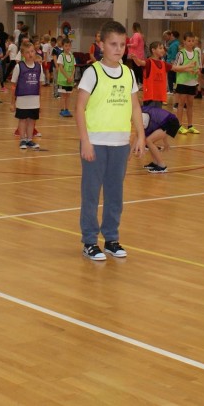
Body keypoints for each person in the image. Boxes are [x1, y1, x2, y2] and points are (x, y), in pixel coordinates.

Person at [76, 20, 145, 261]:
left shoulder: (128, 73)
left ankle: (111, 239)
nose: (118, 49)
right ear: (101, 45)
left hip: (120, 144)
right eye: (113, 44)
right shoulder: (92, 72)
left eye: (122, 45)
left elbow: (135, 107)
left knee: (115, 194)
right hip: (95, 143)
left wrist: (140, 135)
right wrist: (85, 141)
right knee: (91, 194)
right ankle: (89, 241)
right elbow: (80, 107)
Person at [10, 40, 42, 150]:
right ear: (23, 54)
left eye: (32, 51)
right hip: (22, 99)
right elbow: (13, 85)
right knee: (23, 119)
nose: (30, 54)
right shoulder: (19, 67)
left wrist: (40, 102)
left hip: (34, 99)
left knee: (32, 120)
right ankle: (22, 139)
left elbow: (40, 85)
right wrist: (12, 103)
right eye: (27, 52)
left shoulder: (39, 67)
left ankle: (29, 140)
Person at [172, 32, 201, 134]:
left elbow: (198, 68)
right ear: (184, 41)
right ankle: (179, 125)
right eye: (189, 41)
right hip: (182, 82)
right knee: (181, 104)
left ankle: (190, 125)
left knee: (190, 105)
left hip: (192, 82)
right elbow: (174, 68)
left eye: (193, 41)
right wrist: (186, 69)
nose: (191, 43)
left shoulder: (197, 53)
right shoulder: (181, 53)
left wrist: (197, 71)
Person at [141, 105, 179, 173]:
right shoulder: (142, 112)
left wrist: (130, 153)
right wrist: (165, 142)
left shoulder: (142, 115)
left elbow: (137, 135)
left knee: (149, 140)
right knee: (149, 140)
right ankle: (155, 162)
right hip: (167, 122)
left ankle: (162, 166)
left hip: (171, 122)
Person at [135, 41, 168, 107]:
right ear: (153, 50)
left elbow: (175, 68)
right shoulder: (148, 62)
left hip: (159, 96)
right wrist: (135, 59)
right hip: (150, 97)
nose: (163, 50)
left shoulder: (163, 63)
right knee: (150, 112)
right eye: (160, 48)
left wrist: (187, 67)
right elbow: (140, 63)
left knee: (158, 112)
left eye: (163, 48)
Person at [56, 38, 76, 117]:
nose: (68, 47)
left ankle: (67, 110)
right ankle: (62, 110)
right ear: (63, 46)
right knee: (63, 96)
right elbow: (61, 68)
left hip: (70, 80)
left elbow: (74, 68)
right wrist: (67, 77)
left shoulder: (72, 56)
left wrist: (71, 77)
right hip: (63, 80)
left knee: (68, 96)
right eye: (66, 46)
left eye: (69, 46)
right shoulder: (61, 56)